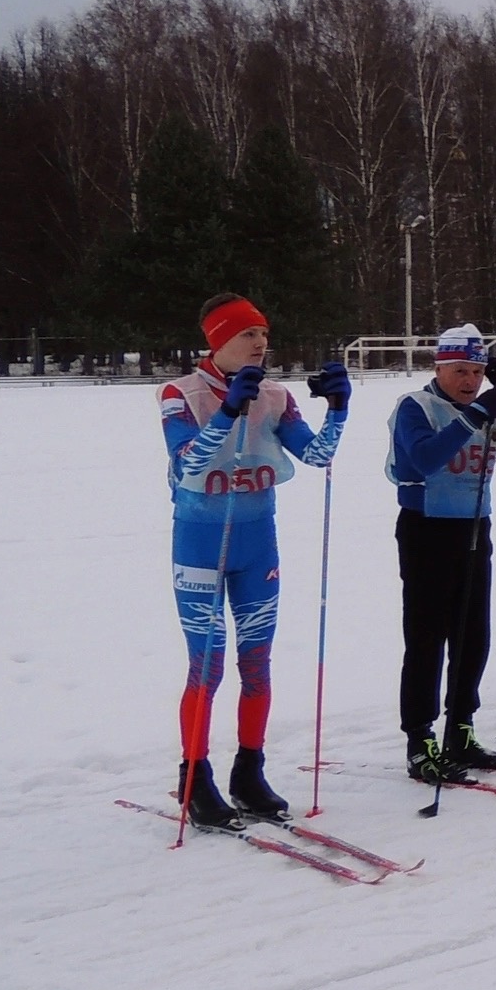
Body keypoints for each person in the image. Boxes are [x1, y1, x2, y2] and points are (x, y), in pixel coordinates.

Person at [161, 294, 349, 825]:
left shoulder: (274, 395)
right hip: (200, 544)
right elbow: (188, 464)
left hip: (256, 541)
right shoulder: (182, 393)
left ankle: (249, 769)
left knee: (257, 664)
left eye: (264, 334)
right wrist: (225, 412)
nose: (261, 343)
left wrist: (338, 410)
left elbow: (317, 456)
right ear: (218, 340)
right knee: (208, 665)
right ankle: (194, 777)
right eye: (248, 334)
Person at [386, 323, 496, 782]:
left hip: (475, 529)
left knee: (473, 636)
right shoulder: (416, 407)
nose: (470, 381)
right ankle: (420, 738)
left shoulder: (486, 408)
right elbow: (424, 458)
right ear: (440, 367)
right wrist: (476, 416)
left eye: (477, 371)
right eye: (460, 371)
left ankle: (461, 729)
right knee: (427, 637)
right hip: (426, 530)